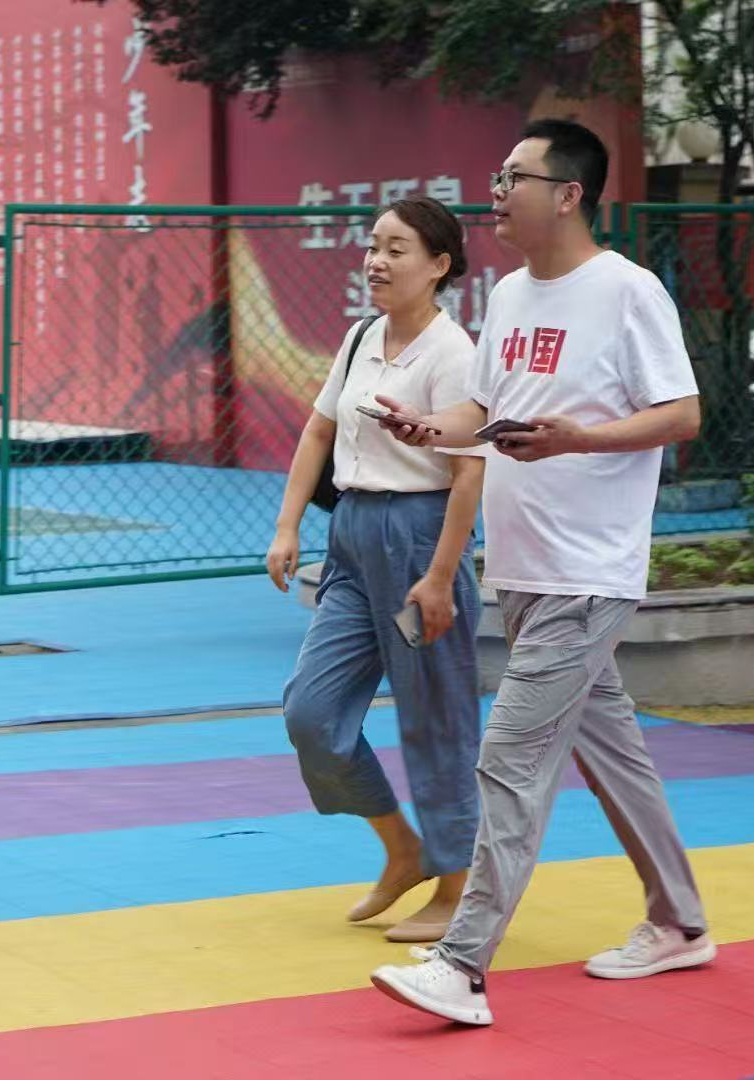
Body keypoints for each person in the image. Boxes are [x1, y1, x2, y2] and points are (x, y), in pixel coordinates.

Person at [365, 120, 711, 1026]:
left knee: (511, 757)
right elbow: (484, 409)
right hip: (524, 567)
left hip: (588, 571)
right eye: (498, 174)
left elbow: (682, 414)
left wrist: (581, 439)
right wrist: (429, 427)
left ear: (568, 194)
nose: (497, 190)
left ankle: (463, 965)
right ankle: (680, 921)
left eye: (514, 176)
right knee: (615, 757)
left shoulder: (627, 291)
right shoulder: (513, 294)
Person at [267, 195, 486, 943]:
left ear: (439, 265)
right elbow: (319, 429)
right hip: (354, 541)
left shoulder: (455, 354)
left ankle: (456, 890)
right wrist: (288, 524)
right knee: (312, 712)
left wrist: (440, 575)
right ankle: (402, 848)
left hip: (419, 543)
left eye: (396, 249)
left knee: (435, 717)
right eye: (373, 246)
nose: (376, 261)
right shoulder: (362, 335)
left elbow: (469, 472)